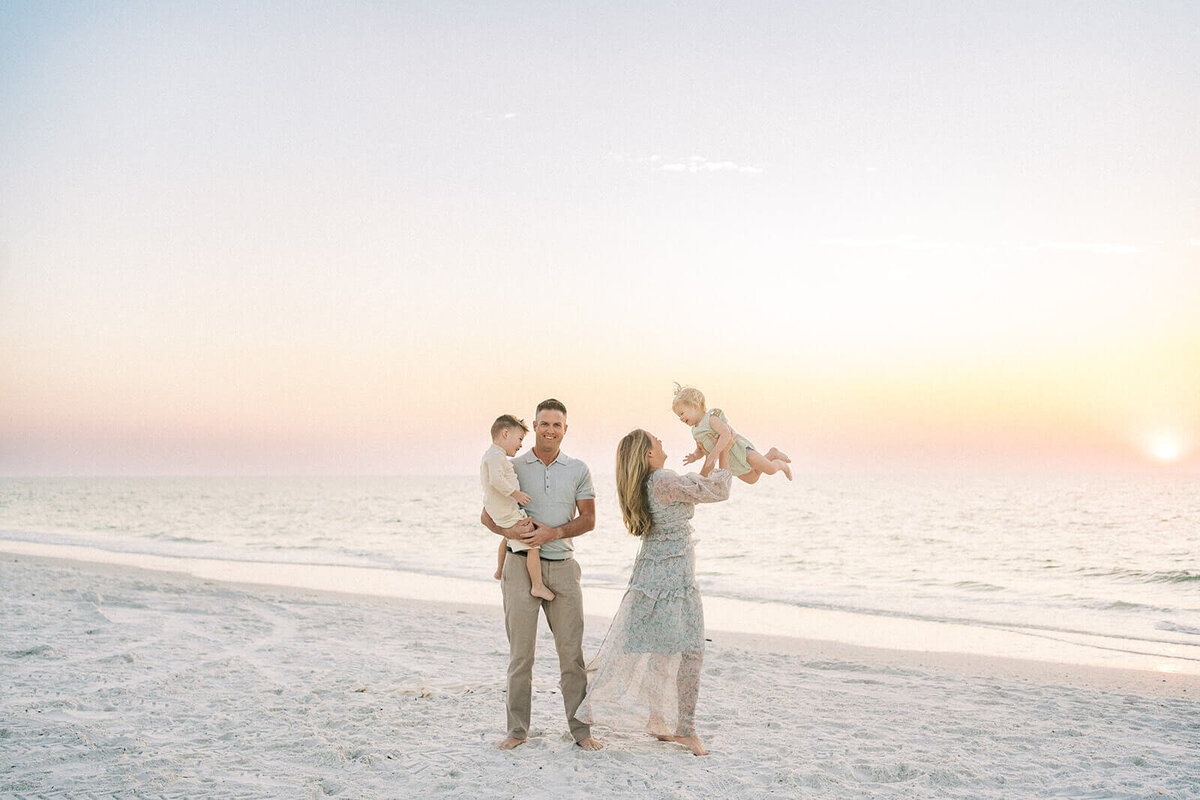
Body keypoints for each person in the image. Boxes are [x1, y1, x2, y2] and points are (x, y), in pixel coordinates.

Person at [576, 428, 734, 757]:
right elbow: (717, 490)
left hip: (653, 576)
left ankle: (657, 719)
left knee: (662, 652)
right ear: (649, 455)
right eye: (656, 441)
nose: (662, 442)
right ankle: (685, 730)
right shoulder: (662, 479)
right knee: (691, 652)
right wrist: (725, 449)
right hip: (672, 580)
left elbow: (694, 488)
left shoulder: (653, 482)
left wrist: (713, 452)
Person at [480, 398, 603, 752]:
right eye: (544, 423)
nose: (550, 430)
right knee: (521, 656)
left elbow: (589, 520)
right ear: (534, 426)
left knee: (572, 657)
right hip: (520, 568)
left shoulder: (578, 468)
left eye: (557, 425)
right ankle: (517, 731)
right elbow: (488, 515)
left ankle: (582, 732)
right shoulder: (510, 464)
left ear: (566, 429)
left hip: (563, 569)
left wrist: (554, 533)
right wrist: (512, 533)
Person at [483, 414, 554, 601]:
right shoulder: (495, 456)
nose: (521, 444)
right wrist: (516, 494)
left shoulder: (494, 455)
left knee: (507, 537)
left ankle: (499, 571)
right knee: (533, 542)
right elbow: (496, 480)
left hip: (500, 510)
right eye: (519, 439)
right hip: (504, 510)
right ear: (505, 434)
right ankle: (537, 586)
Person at [672, 383, 792, 484]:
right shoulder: (695, 430)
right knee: (752, 479)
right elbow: (701, 449)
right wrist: (694, 456)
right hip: (730, 460)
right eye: (678, 416)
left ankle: (782, 465)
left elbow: (726, 434)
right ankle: (770, 455)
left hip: (740, 450)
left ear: (694, 406)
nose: (680, 418)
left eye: (682, 413)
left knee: (770, 469)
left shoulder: (710, 418)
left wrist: (714, 453)